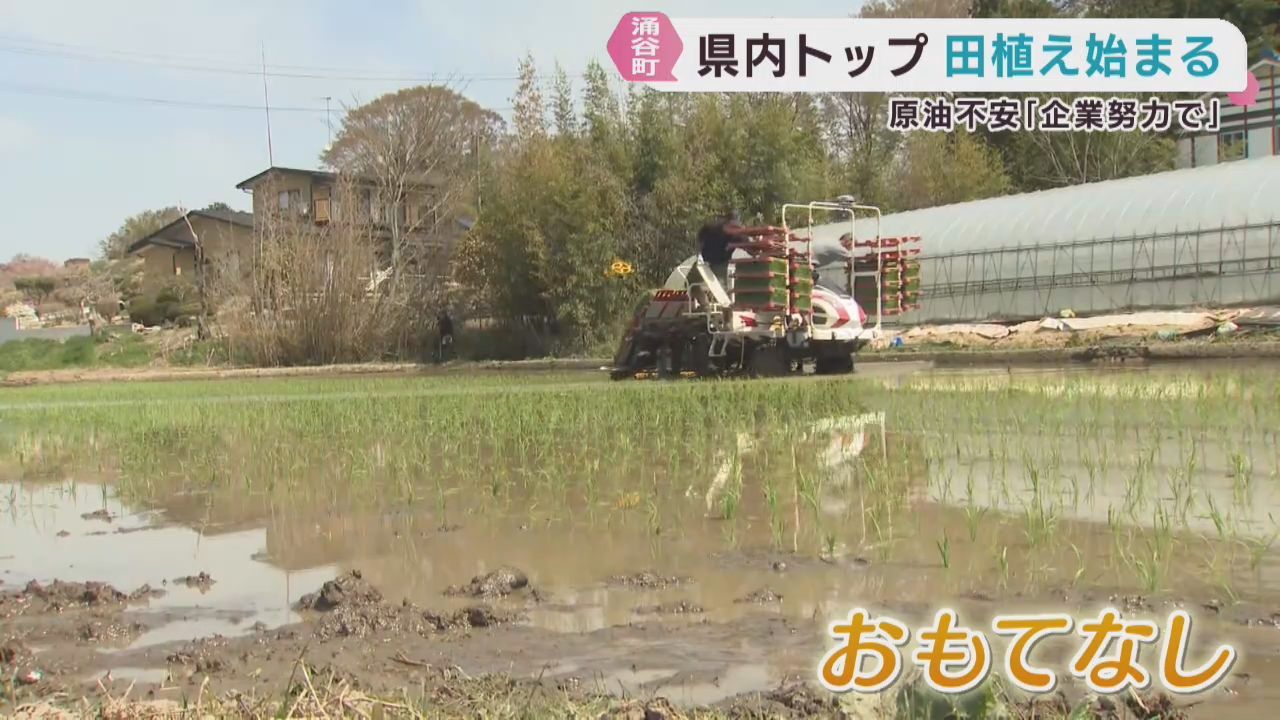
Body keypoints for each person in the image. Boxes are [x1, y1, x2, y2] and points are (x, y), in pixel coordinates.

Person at [697, 210, 742, 289]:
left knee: (718, 283)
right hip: (713, 259)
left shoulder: (735, 232)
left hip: (716, 260)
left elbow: (700, 236)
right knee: (718, 283)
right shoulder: (714, 226)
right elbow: (701, 236)